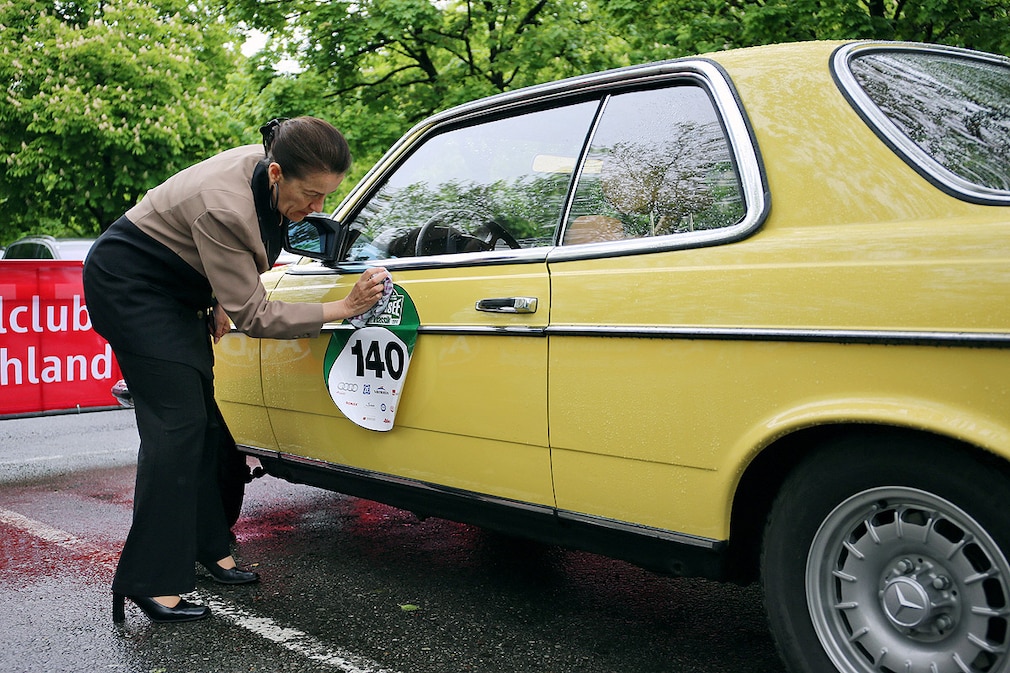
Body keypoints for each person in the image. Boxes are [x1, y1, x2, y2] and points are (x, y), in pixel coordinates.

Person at [83, 117, 389, 624]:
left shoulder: (273, 167)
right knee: (175, 431)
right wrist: (343, 307)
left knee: (205, 426)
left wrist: (217, 297)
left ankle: (207, 545)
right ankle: (151, 580)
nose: (317, 210)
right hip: (131, 289)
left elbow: (222, 268)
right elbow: (258, 314)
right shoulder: (224, 205)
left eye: (326, 198)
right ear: (275, 173)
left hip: (178, 289)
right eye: (311, 196)